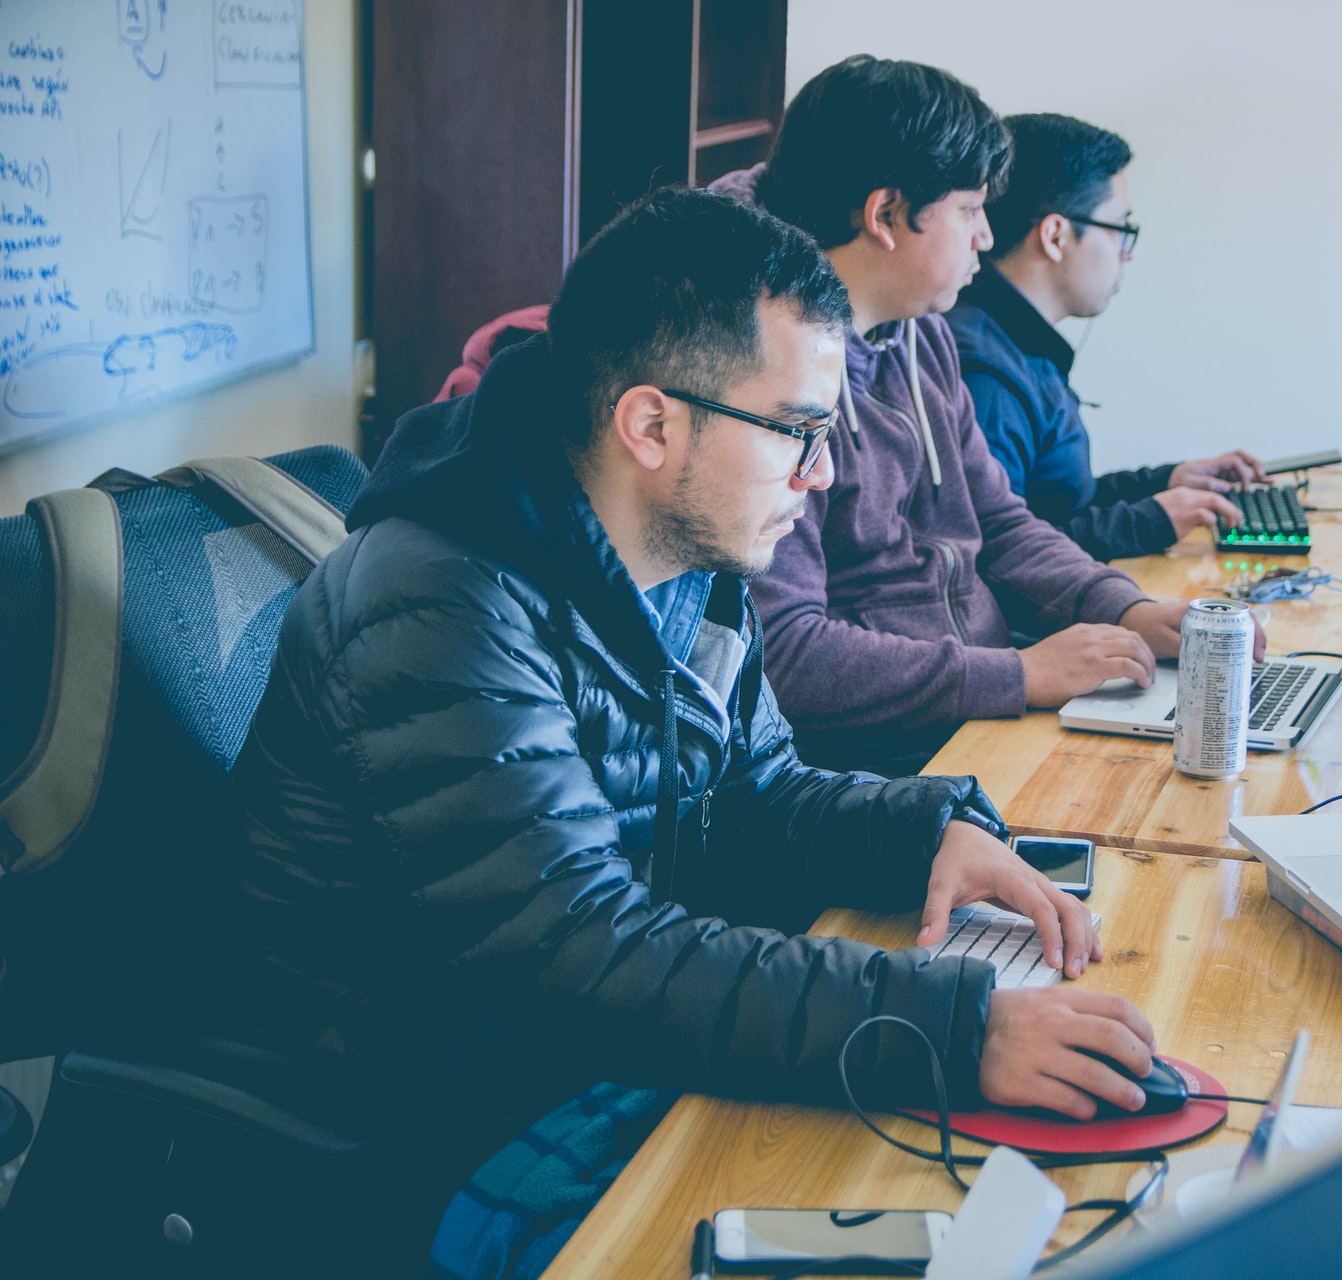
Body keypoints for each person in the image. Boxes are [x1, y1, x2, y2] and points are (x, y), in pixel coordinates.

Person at [222, 187, 1157, 1267]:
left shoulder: (687, 551)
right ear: (651, 423)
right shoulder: (438, 599)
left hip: (588, 1051)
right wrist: (952, 1026)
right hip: (427, 1117)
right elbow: (578, 950)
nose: (823, 473)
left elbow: (756, 787)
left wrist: (924, 828)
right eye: (799, 431)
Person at [712, 56, 1252, 777]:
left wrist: (1123, 607)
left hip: (980, 713)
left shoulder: (921, 331)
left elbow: (998, 520)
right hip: (883, 761)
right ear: (886, 216)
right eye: (969, 211)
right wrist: (1017, 675)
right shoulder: (764, 384)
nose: (987, 237)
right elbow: (788, 651)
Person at [947, 113, 1265, 562]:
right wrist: (1149, 521)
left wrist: (1167, 481)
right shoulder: (985, 375)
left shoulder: (1020, 343)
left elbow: (1055, 502)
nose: (1126, 255)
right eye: (1122, 230)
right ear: (1055, 235)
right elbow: (998, 556)